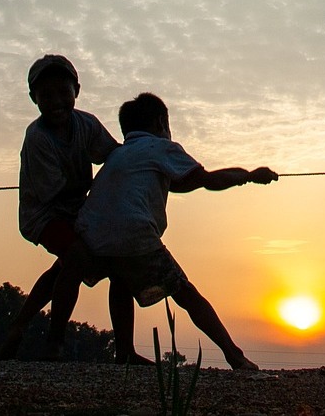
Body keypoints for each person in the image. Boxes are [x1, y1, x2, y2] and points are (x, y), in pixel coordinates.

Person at [49, 92, 277, 371]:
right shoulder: (161, 148)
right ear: (161, 123)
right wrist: (250, 176)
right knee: (185, 293)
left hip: (90, 236)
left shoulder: (119, 154)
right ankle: (234, 355)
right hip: (135, 234)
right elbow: (205, 180)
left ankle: (124, 353)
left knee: (120, 277)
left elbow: (176, 184)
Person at [0, 55, 145, 362]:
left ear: (76, 90)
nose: (56, 102)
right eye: (46, 95)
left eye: (63, 93)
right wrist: (99, 196)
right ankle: (55, 341)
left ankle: (125, 350)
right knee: (76, 256)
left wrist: (141, 159)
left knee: (113, 261)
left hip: (78, 210)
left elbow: (112, 155)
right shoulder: (37, 138)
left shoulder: (86, 123)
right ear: (33, 98)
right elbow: (57, 192)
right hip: (44, 214)